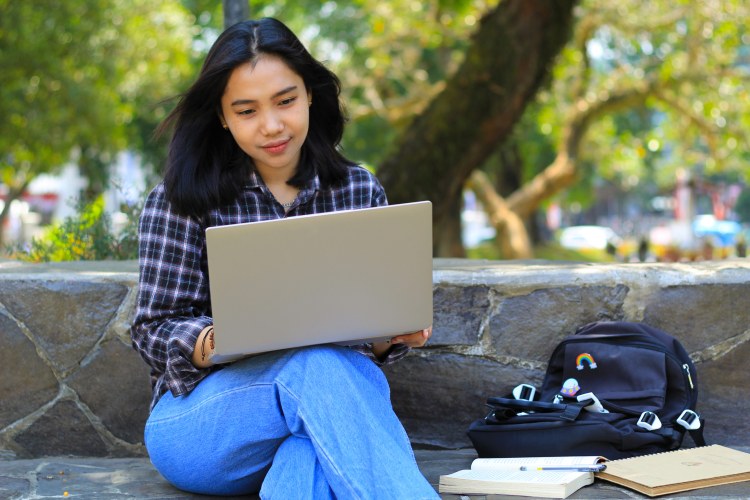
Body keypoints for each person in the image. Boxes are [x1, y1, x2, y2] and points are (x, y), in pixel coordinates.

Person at [130, 17, 438, 499]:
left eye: (286, 101)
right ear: (222, 116)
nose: (271, 125)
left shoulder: (357, 189)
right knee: (313, 365)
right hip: (203, 428)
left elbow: (369, 352)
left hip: (317, 422)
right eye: (247, 110)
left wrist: (389, 332)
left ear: (310, 95)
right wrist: (218, 339)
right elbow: (152, 330)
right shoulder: (179, 199)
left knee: (314, 439)